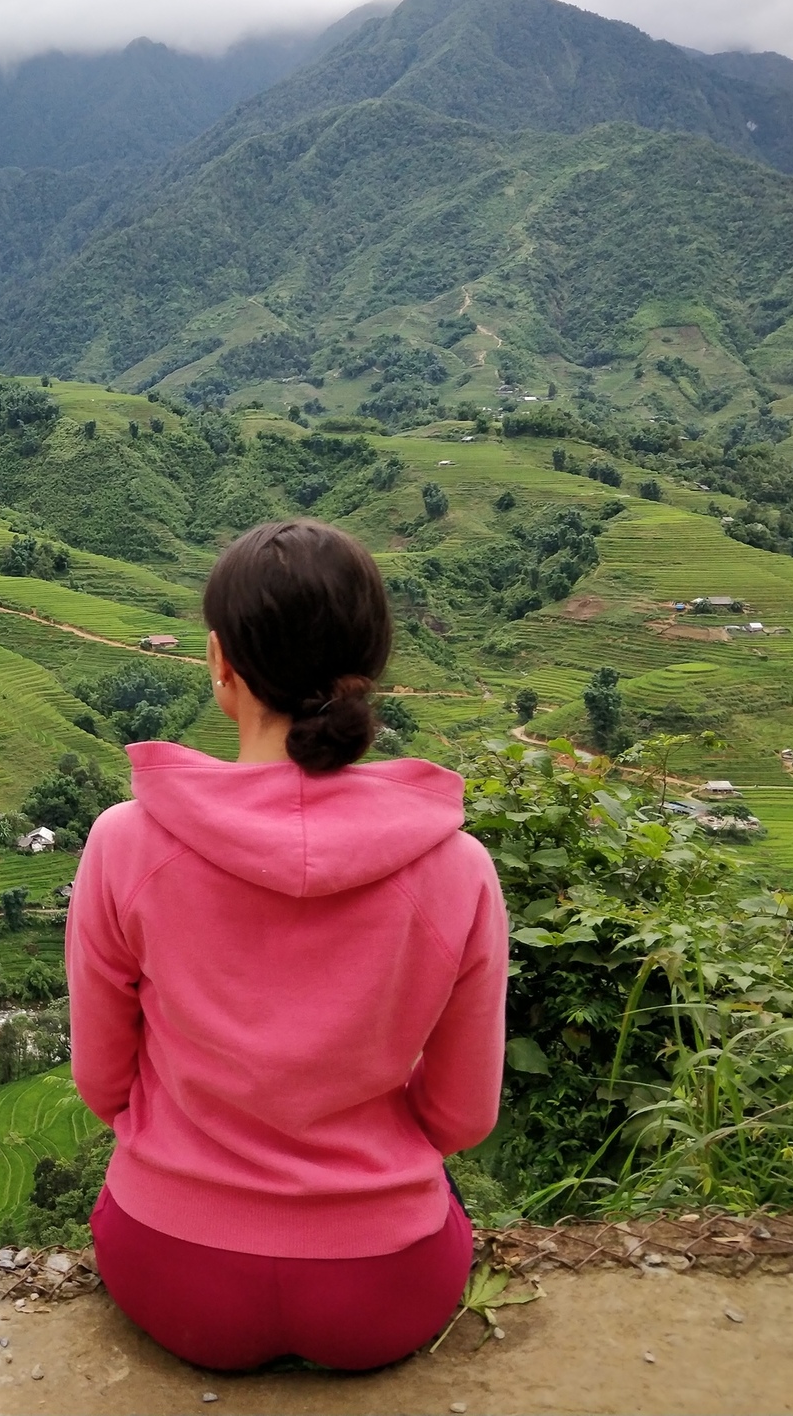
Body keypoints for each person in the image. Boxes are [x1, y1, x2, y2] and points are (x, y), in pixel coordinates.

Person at [66, 518, 507, 1371]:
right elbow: (461, 1117)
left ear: (221, 664)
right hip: (386, 1286)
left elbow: (102, 1083)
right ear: (367, 672)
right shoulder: (456, 867)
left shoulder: (125, 844)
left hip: (171, 1270)